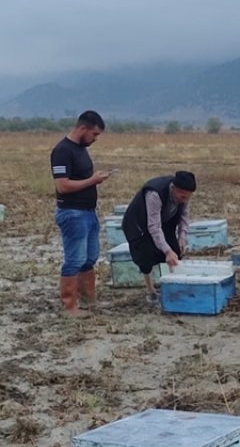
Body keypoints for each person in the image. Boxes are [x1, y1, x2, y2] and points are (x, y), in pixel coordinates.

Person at [51, 110, 109, 316]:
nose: (95, 139)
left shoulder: (81, 149)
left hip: (88, 212)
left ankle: (88, 299)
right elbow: (62, 186)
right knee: (75, 260)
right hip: (72, 213)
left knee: (90, 258)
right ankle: (69, 306)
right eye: (94, 134)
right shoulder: (62, 151)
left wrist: (94, 178)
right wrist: (93, 180)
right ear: (83, 128)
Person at [121, 171, 196, 303]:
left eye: (187, 197)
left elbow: (184, 217)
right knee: (145, 256)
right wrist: (166, 251)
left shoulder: (184, 195)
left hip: (164, 221)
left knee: (175, 251)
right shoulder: (154, 194)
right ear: (174, 189)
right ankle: (150, 290)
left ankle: (174, 286)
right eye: (183, 196)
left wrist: (182, 237)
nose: (185, 200)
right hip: (139, 224)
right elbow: (154, 227)